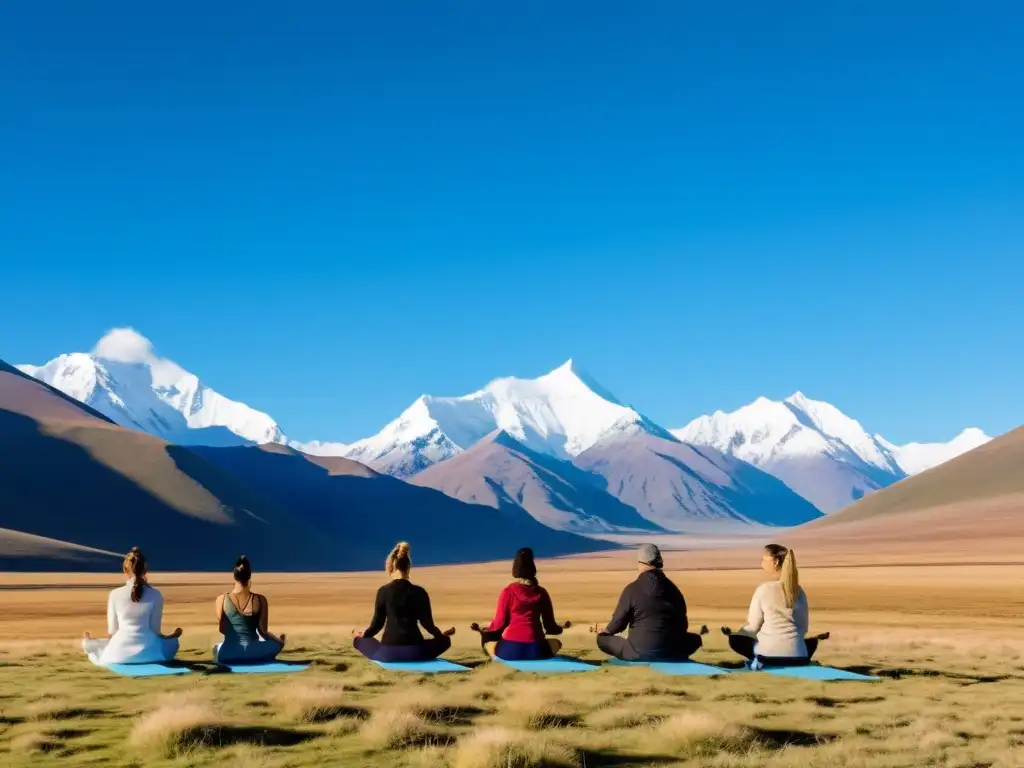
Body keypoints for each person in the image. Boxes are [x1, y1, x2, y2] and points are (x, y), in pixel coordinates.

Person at [593, 543, 706, 662]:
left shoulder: (632, 589)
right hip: (670, 651)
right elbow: (682, 625)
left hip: (636, 653)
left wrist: (605, 631)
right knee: (696, 639)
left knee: (602, 639)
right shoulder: (674, 590)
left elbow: (618, 623)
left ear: (642, 563)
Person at [721, 544, 828, 667]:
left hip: (768, 658)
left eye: (764, 560)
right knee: (810, 642)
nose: (762, 564)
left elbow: (752, 627)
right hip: (800, 657)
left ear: (775, 562)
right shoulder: (799, 591)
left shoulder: (764, 589)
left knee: (736, 640)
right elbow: (803, 628)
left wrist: (736, 634)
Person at [353, 542, 455, 663]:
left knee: (358, 640)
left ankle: (360, 640)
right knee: (446, 641)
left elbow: (376, 626)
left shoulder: (383, 592)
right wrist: (441, 637)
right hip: (416, 652)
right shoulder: (419, 592)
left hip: (388, 654)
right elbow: (428, 625)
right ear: (408, 567)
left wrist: (364, 635)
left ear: (390, 567)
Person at [81, 547, 182, 665]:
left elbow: (112, 632)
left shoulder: (114, 594)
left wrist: (93, 642)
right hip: (151, 655)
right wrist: (171, 638)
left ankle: (89, 643)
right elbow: (155, 631)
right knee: (172, 643)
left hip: (117, 655)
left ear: (125, 570)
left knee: (92, 645)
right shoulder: (156, 595)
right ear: (146, 570)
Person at [472, 547, 570, 661]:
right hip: (536, 650)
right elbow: (550, 627)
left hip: (510, 650)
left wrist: (484, 631)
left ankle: (496, 658)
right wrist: (560, 629)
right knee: (556, 643)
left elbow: (499, 622)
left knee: (489, 645)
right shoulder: (541, 592)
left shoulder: (508, 591)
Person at [213, 555, 286, 664]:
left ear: (234, 575)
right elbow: (263, 632)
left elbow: (222, 629)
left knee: (216, 648)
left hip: (228, 654)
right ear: (249, 576)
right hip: (254, 652)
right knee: (276, 644)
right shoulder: (260, 599)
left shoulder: (221, 599)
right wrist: (279, 642)